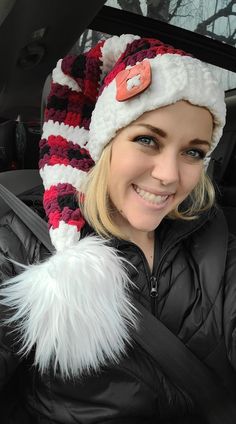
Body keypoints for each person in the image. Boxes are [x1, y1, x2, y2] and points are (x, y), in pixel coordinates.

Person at [0, 33, 235, 424]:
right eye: (147, 140)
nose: (169, 175)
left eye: (193, 152)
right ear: (105, 144)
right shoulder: (21, 244)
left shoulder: (214, 237)